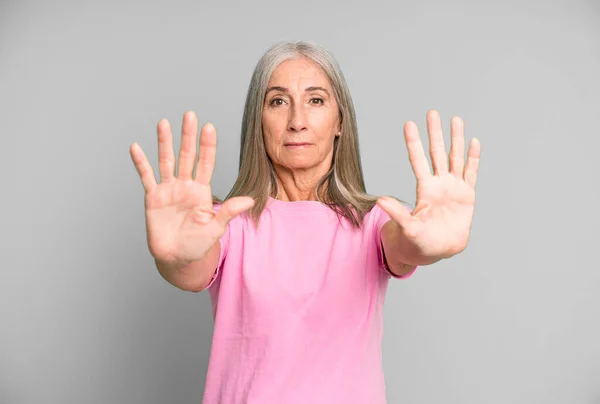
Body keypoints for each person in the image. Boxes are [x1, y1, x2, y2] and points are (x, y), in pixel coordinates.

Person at [129, 41, 481, 404]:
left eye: (316, 100)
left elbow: (405, 245)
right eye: (278, 101)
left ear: (340, 121)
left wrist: (429, 246)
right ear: (258, 122)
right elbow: (191, 268)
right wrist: (175, 257)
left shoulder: (375, 223)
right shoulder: (225, 225)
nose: (297, 121)